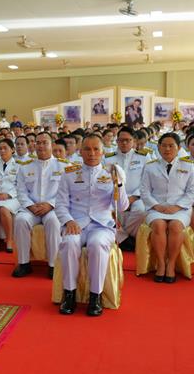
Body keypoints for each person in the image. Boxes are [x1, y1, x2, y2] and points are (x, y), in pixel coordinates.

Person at [56, 134, 129, 316]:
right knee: (70, 243)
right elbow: (60, 204)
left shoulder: (110, 173)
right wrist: (68, 221)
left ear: (103, 151)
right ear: (80, 152)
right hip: (76, 223)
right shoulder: (69, 173)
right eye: (87, 149)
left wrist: (119, 185)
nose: (92, 153)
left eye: (96, 149)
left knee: (97, 245)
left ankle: (95, 296)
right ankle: (69, 294)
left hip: (101, 225)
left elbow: (122, 207)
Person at [141, 133, 194, 283]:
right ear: (158, 147)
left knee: (176, 226)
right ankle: (161, 264)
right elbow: (144, 190)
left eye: (171, 146)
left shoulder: (189, 166)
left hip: (180, 208)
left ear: (178, 148)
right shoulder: (150, 167)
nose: (167, 149)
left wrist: (177, 207)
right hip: (156, 207)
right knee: (158, 225)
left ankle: (171, 265)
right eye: (163, 145)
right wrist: (156, 205)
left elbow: (192, 191)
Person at [13, 132, 67, 278]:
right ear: (34, 145)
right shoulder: (25, 167)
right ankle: (24, 263)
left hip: (53, 208)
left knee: (54, 221)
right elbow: (20, 191)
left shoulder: (63, 166)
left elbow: (65, 192)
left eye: (45, 142)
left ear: (52, 144)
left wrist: (50, 205)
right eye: (38, 142)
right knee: (20, 220)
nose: (41, 146)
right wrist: (31, 206)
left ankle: (53, 265)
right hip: (31, 208)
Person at [103, 126, 150, 251]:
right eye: (121, 140)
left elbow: (147, 181)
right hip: (115, 196)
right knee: (107, 212)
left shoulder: (143, 157)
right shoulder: (108, 158)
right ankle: (126, 239)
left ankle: (123, 237)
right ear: (117, 141)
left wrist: (133, 198)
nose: (124, 143)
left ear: (133, 141)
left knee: (141, 210)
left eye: (128, 140)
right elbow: (104, 180)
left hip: (137, 196)